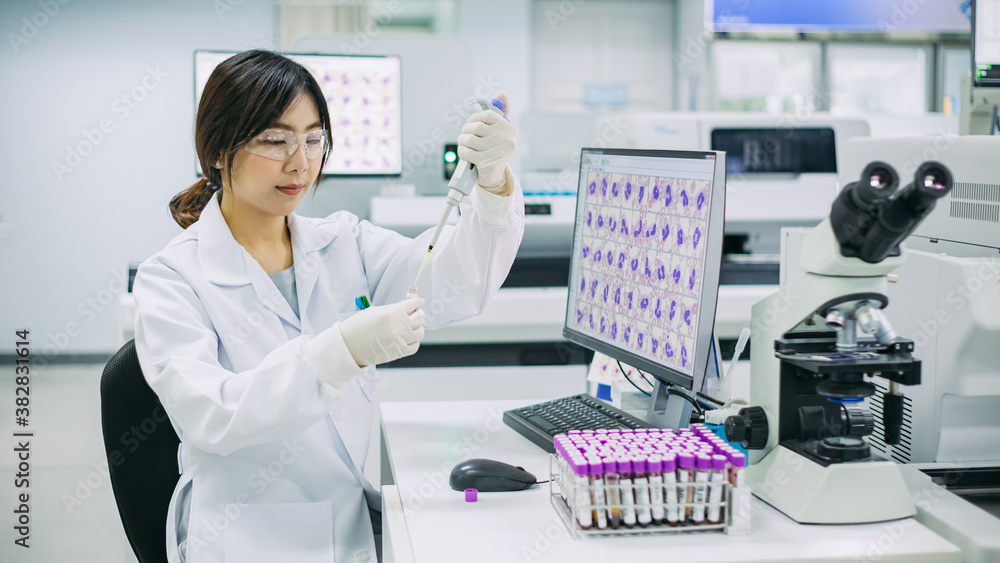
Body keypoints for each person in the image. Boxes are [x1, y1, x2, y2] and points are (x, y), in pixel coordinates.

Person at [133, 49, 523, 563]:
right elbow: (213, 413)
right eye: (275, 140)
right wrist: (340, 351)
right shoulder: (172, 279)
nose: (300, 162)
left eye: (313, 138)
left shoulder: (343, 242)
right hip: (247, 538)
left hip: (347, 522)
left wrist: (493, 184)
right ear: (218, 150)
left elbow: (453, 280)